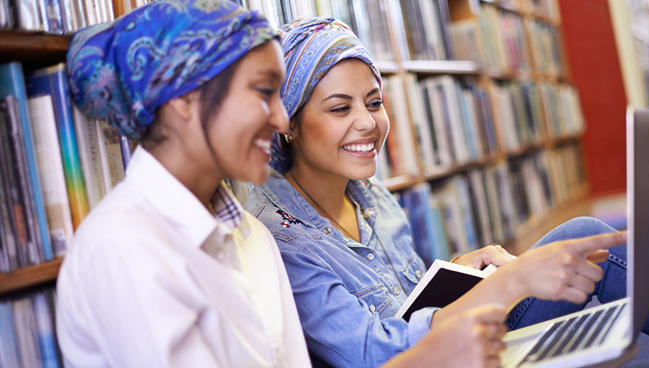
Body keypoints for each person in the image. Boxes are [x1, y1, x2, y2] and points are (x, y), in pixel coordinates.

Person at [56, 2, 508, 367]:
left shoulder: (250, 238)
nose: (278, 119)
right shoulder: (123, 247)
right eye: (262, 92)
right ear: (184, 102)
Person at [245, 16, 649, 367]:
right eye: (339, 107)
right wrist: (512, 283)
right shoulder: (282, 239)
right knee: (584, 242)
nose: (367, 122)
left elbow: (406, 307)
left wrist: (454, 275)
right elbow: (374, 354)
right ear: (289, 124)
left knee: (589, 250)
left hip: (458, 344)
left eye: (374, 102)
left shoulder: (370, 195)